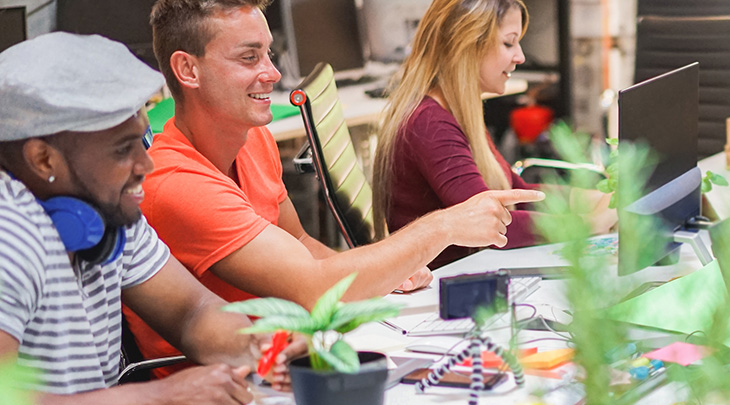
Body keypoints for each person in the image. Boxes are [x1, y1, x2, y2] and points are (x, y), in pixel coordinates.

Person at [124, 0, 543, 369]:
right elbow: (313, 285)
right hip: (231, 387)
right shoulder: (176, 183)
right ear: (187, 70)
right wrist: (443, 226)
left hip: (287, 357)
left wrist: (382, 273)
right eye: (249, 58)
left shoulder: (253, 139)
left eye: (269, 54)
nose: (272, 73)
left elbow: (302, 241)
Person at [0, 32, 298, 405]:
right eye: (123, 151)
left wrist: (264, 350)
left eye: (142, 140)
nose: (147, 164)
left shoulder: (106, 208)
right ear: (43, 159)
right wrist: (156, 401)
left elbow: (192, 312)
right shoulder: (9, 233)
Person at [373, 0, 616, 269]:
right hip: (446, 288)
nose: (520, 57)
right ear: (467, 46)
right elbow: (491, 228)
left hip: (474, 268)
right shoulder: (430, 125)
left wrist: (591, 198)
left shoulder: (456, 110)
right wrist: (590, 223)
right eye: (509, 43)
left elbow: (517, 192)